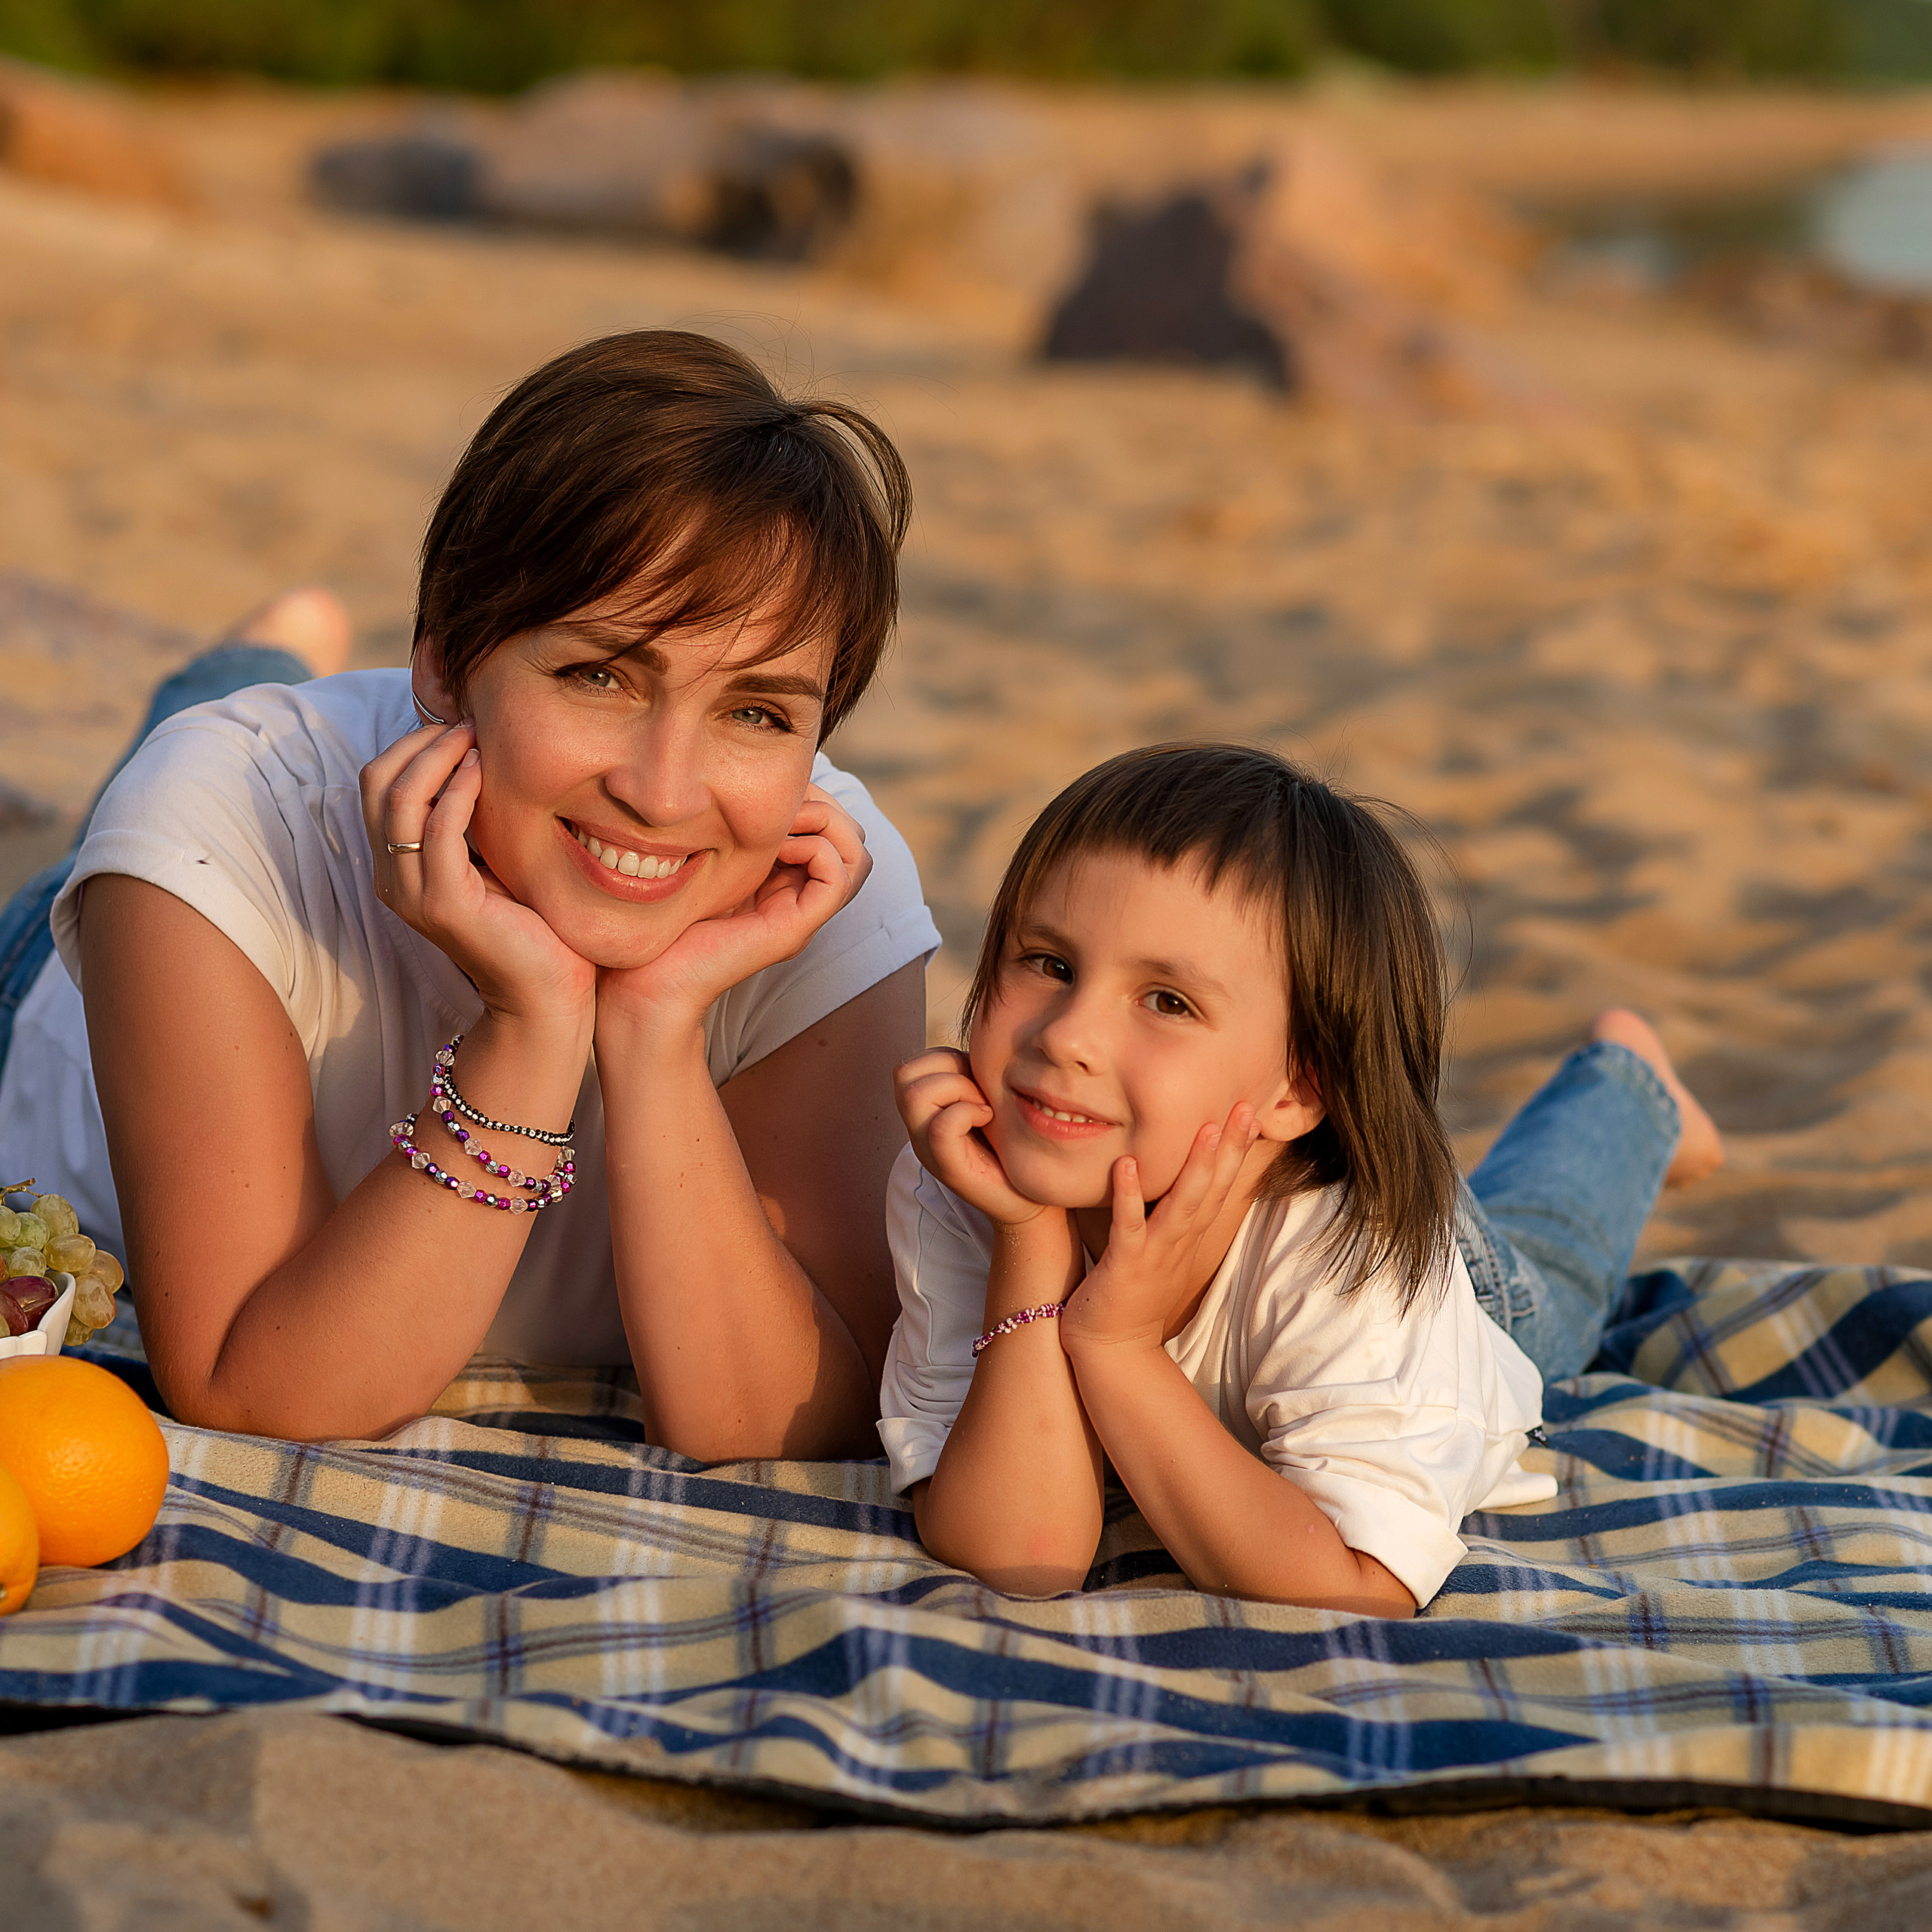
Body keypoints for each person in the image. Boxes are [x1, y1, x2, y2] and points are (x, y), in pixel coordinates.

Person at [0, 330, 939, 1457]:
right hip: (43, 984)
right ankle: (253, 664)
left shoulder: (831, 889)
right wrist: (535, 1027)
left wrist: (652, 1030)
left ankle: (272, 653)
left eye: (759, 712)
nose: (664, 791)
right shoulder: (223, 821)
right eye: (600, 674)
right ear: (443, 660)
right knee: (172, 764)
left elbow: (797, 1421)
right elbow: (258, 1396)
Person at [877, 743, 1722, 1615]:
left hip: (1448, 1267)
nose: (1064, 1036)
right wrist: (1029, 1237)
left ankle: (1625, 1081)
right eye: (1049, 963)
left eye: (1167, 1000)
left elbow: (1363, 1583)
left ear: (1299, 1086)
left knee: (1560, 1266)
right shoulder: (965, 1174)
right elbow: (1022, 1556)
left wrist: (1118, 1348)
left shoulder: (1351, 1250)